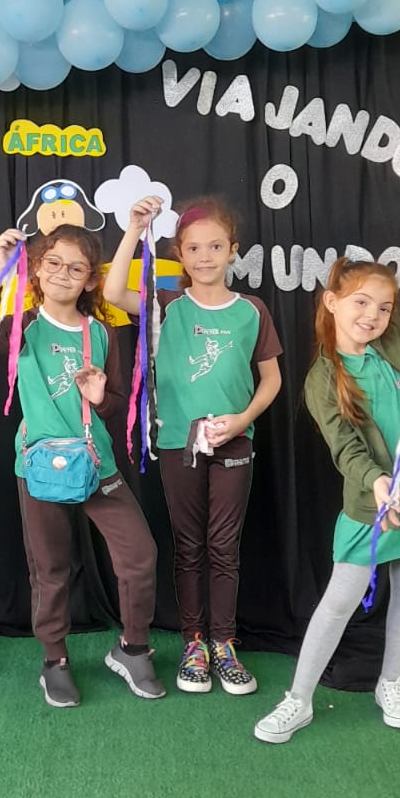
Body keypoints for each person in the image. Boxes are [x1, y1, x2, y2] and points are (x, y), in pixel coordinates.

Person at [254, 230, 400, 743]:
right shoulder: (324, 379)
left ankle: (391, 682)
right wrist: (377, 480)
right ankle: (298, 699)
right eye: (361, 302)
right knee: (340, 599)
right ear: (332, 302)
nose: (373, 315)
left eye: (384, 308)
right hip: (375, 501)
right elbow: (346, 448)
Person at [0, 222, 164, 708]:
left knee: (139, 555)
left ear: (91, 279)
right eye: (53, 263)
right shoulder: (24, 327)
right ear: (37, 269)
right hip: (40, 467)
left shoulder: (100, 332)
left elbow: (116, 402)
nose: (62, 274)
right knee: (50, 568)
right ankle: (54, 659)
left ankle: (133, 648)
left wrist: (100, 399)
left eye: (76, 268)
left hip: (96, 464)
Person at [104, 196, 282, 696]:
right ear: (179, 254)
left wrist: (242, 419)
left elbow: (271, 379)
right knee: (189, 546)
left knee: (224, 547)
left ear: (233, 250)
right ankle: (194, 644)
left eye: (216, 247)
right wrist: (134, 228)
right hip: (177, 444)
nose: (205, 257)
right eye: (194, 248)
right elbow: (113, 291)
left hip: (235, 443)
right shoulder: (166, 307)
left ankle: (224, 644)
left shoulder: (252, 311)